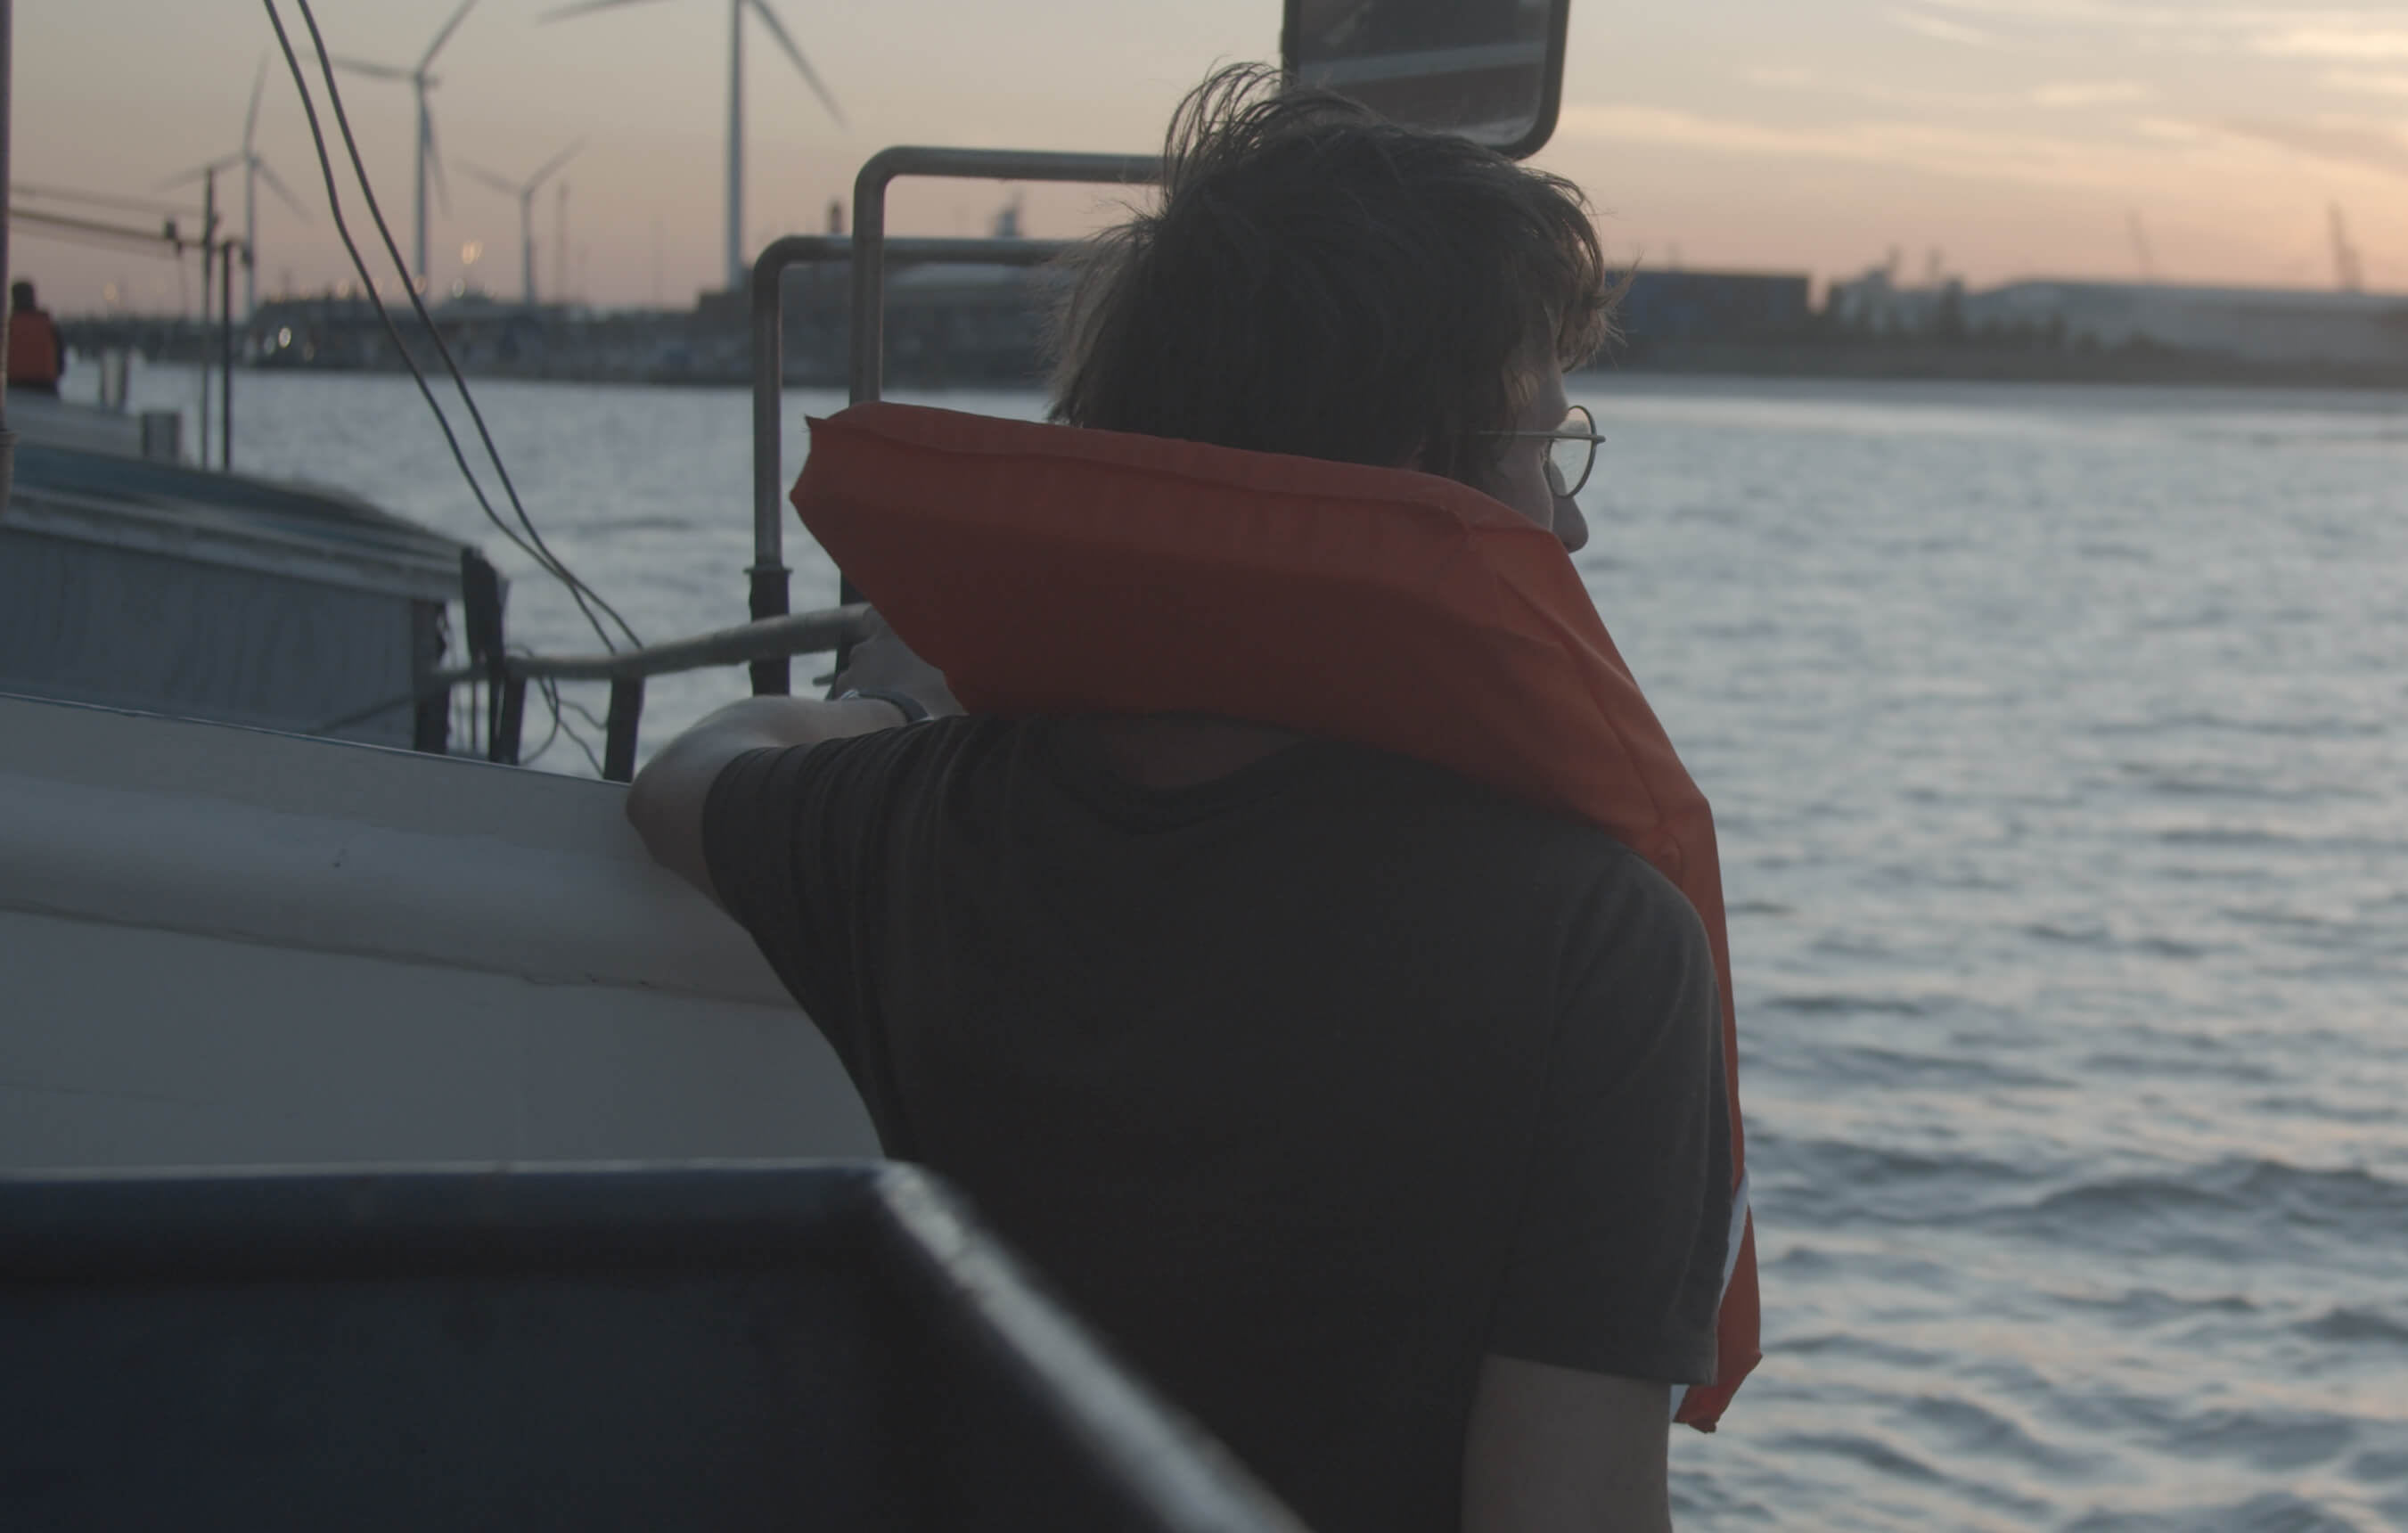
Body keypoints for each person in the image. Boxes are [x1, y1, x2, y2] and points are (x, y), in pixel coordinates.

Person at [626, 66, 1732, 1533]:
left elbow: (681, 780)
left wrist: (896, 703)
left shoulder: (919, 827)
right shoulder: (1597, 952)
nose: (1572, 521)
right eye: (1548, 447)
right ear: (1420, 482)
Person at [8, 281, 63, 397]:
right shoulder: (48, 325)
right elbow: (61, 363)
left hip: (14, 389)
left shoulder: (8, 327)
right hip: (46, 389)